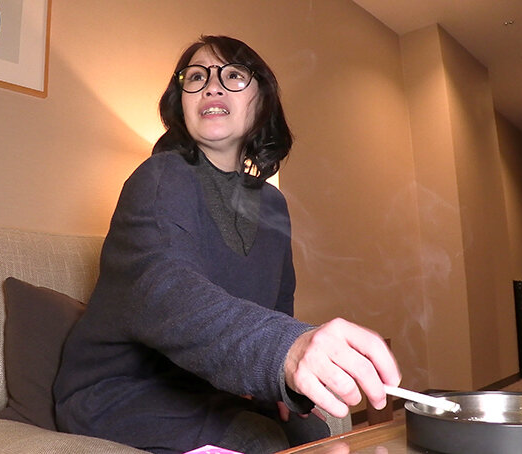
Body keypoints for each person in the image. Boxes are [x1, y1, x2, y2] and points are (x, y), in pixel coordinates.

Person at [53, 35, 400, 454]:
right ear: (181, 101)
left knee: (313, 435)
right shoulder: (160, 177)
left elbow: (278, 307)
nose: (211, 87)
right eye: (195, 77)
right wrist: (285, 351)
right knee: (259, 440)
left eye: (233, 75)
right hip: (118, 393)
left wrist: (280, 385)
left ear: (261, 100)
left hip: (210, 391)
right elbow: (165, 290)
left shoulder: (272, 203)